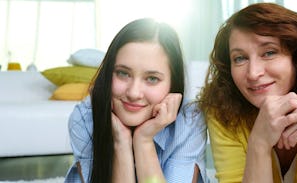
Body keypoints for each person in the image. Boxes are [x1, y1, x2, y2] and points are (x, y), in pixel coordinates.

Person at [64, 18, 208, 183]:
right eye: (123, 73)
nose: (133, 93)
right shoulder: (86, 117)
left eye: (152, 78)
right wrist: (121, 142)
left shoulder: (190, 120)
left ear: (172, 84)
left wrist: (143, 141)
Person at [198, 2, 297, 183]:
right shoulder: (223, 112)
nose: (253, 73)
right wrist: (259, 142)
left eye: (269, 52)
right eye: (240, 58)